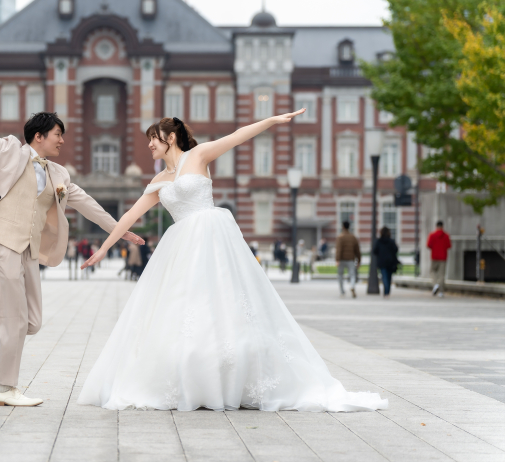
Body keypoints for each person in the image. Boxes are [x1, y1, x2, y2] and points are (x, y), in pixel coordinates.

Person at [77, 113, 387, 412]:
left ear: (171, 138)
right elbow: (130, 215)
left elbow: (238, 137)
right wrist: (105, 248)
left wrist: (272, 121)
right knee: (183, 305)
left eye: (154, 139)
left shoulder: (198, 156)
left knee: (225, 301)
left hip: (212, 237)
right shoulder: (159, 180)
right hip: (181, 245)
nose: (150, 145)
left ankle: (236, 372)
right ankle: (191, 373)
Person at [0, 77, 143, 408]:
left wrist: (119, 230)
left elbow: (87, 203)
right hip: (3, 244)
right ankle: (5, 388)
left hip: (29, 252)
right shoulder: (8, 149)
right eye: (57, 135)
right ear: (39, 136)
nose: (62, 141)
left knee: (32, 322)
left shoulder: (59, 175)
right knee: (13, 321)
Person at [335, 221, 361, 298]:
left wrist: (337, 259)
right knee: (352, 275)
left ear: (343, 227)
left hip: (342, 259)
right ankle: (352, 286)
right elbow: (357, 250)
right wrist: (359, 260)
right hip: (351, 259)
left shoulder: (340, 237)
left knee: (340, 275)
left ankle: (342, 291)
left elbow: (339, 249)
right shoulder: (353, 237)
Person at [427, 220, 452, 298]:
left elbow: (428, 245)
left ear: (436, 226)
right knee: (442, 275)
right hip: (443, 257)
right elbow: (449, 246)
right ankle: (441, 291)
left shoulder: (432, 235)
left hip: (434, 257)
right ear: (442, 226)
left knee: (432, 271)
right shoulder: (446, 235)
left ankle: (435, 284)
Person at [373, 227, 399, 298]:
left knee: (384, 276)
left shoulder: (379, 241)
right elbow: (396, 249)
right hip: (390, 261)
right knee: (389, 277)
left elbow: (375, 251)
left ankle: (386, 292)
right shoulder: (391, 241)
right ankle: (387, 291)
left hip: (382, 261)